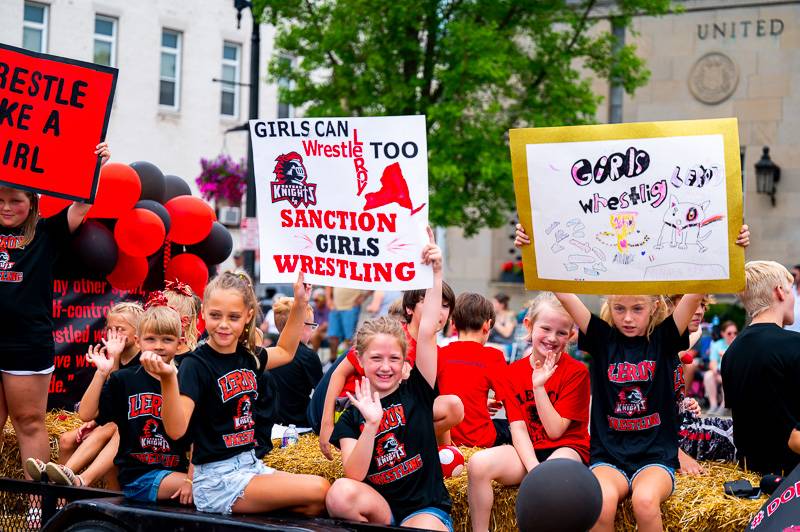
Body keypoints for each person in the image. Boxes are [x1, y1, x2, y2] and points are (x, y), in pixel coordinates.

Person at [141, 270, 330, 515]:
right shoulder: (195, 364)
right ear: (203, 314)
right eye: (215, 315)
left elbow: (285, 351)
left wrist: (301, 302)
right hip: (217, 480)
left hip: (249, 465)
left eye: (233, 317)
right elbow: (176, 430)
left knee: (316, 504)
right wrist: (168, 379)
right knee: (320, 488)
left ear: (248, 317)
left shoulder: (248, 357)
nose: (223, 324)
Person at [325, 228, 452, 531]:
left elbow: (428, 330)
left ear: (405, 360)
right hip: (381, 507)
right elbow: (353, 475)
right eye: (376, 359)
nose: (385, 367)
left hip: (425, 508)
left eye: (394, 359)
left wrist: (436, 274)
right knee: (339, 495)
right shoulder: (353, 413)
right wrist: (370, 425)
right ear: (361, 361)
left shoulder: (418, 388)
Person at [0, 142, 110, 480]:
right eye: (0, 200)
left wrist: (97, 166)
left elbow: (82, 205)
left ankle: (36, 509)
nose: (6, 207)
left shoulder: (47, 233)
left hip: (27, 344)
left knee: (29, 422)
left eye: (16, 200)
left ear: (32, 201)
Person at [554, 290, 699, 532]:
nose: (628, 318)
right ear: (609, 306)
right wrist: (532, 252)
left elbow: (695, 294)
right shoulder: (602, 339)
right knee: (600, 504)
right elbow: (565, 295)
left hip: (654, 456)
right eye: (619, 308)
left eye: (637, 309)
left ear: (653, 307)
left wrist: (729, 252)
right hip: (609, 457)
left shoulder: (664, 339)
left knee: (644, 501)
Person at [466, 292, 590, 532]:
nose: (552, 338)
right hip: (529, 450)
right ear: (529, 325)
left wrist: (539, 386)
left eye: (562, 332)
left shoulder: (577, 373)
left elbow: (555, 432)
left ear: (571, 335)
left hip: (567, 449)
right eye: (545, 328)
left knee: (553, 478)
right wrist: (534, 471)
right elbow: (518, 428)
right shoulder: (512, 373)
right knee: (478, 464)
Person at [63, 304, 192, 502]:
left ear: (179, 343)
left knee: (210, 487)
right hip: (138, 477)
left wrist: (191, 480)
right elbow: (86, 414)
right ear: (138, 341)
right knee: (211, 489)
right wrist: (101, 372)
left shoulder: (186, 380)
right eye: (151, 339)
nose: (158, 346)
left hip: (174, 471)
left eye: (167, 339)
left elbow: (196, 438)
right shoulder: (124, 379)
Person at [317, 282, 459, 459]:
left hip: (395, 418)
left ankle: (407, 449)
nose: (437, 311)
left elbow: (432, 401)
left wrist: (446, 453)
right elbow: (339, 372)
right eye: (429, 302)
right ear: (409, 309)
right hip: (357, 414)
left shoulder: (436, 355)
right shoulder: (390, 336)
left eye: (445, 306)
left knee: (452, 406)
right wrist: (327, 424)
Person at [27, 302, 142, 489]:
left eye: (120, 329)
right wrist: (96, 420)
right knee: (66, 440)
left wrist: (113, 366)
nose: (113, 334)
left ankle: (59, 479)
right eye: (110, 329)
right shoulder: (112, 356)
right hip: (112, 422)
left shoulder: (144, 359)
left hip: (131, 424)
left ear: (138, 333)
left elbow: (122, 404)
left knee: (111, 429)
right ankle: (59, 495)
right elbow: (92, 410)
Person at [721, 261, 800, 475]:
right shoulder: (794, 344)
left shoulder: (731, 353)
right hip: (791, 477)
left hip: (751, 475)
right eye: (792, 290)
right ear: (780, 292)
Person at [436, 292, 510, 448]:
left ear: (453, 324)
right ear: (487, 325)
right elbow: (510, 400)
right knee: (508, 427)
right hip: (480, 441)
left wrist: (480, 403)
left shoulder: (439, 354)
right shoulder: (493, 357)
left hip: (446, 440)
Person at [270, 296, 323, 427]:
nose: (312, 331)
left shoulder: (269, 351)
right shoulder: (308, 356)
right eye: (312, 326)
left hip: (272, 424)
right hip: (301, 426)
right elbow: (323, 392)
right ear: (300, 326)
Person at [325, 287, 367, 362]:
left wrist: (364, 296)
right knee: (333, 337)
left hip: (351, 307)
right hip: (335, 307)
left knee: (350, 338)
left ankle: (349, 363)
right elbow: (328, 285)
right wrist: (328, 299)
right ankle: (332, 362)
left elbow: (373, 285)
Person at [704, 320, 737, 415]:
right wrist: (715, 371)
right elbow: (713, 362)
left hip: (734, 375)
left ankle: (724, 406)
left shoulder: (739, 344)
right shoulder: (716, 344)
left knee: (727, 377)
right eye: (729, 333)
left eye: (735, 333)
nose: (732, 335)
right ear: (722, 333)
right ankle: (713, 405)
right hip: (719, 373)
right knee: (708, 375)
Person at [487, 293, 516, 360]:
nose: (492, 305)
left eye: (494, 303)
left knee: (485, 348)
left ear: (502, 305)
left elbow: (507, 333)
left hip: (506, 345)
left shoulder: (510, 316)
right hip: (493, 344)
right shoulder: (494, 315)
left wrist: (494, 322)